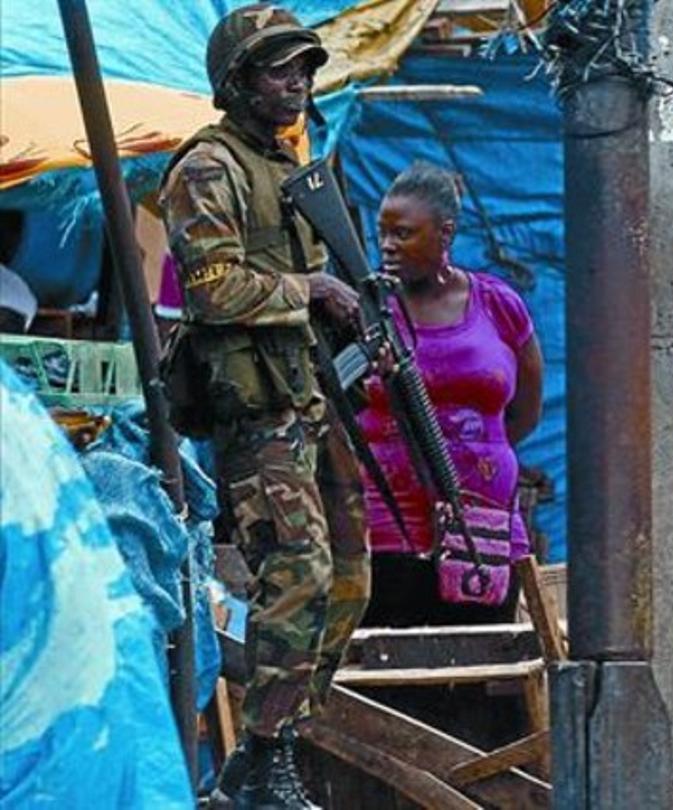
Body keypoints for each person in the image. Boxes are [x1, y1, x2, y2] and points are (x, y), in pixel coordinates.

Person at [159, 5, 370, 808]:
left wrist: (354, 319)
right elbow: (211, 292)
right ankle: (268, 750)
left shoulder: (288, 169)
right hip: (256, 412)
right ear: (237, 81)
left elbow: (319, 287)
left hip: (310, 399)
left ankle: (267, 744)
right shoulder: (208, 169)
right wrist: (309, 289)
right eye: (279, 68)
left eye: (304, 67)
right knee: (299, 573)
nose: (298, 81)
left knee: (350, 580)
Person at [357, 161, 544, 629]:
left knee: (483, 670)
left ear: (445, 234)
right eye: (382, 233)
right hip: (389, 526)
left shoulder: (497, 304)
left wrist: (476, 453)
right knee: (392, 671)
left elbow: (524, 411)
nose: (387, 246)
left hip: (481, 523)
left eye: (403, 233)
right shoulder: (364, 311)